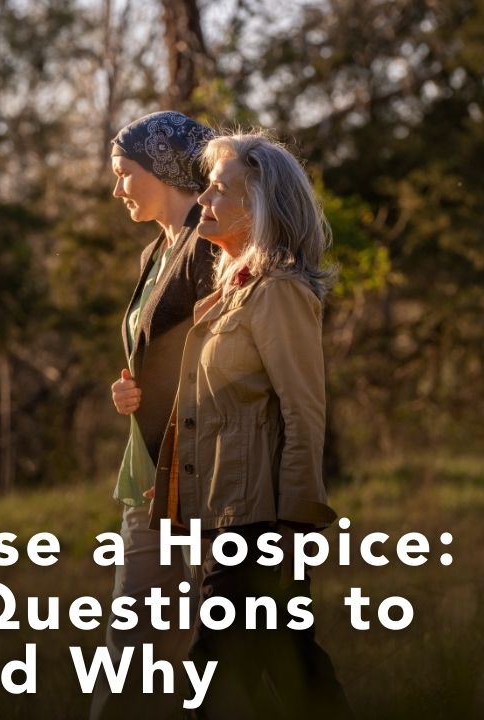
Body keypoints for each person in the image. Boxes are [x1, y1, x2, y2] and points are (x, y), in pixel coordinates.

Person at [150, 130, 353, 719]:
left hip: (259, 528)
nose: (204, 202)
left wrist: (294, 523)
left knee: (209, 681)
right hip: (223, 520)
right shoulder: (229, 296)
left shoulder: (280, 293)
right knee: (295, 672)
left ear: (259, 207)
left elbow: (303, 412)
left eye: (219, 190)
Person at [93, 111, 218, 720]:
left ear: (163, 168)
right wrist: (132, 392)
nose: (118, 188)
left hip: (197, 478)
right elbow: (157, 356)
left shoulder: (209, 245)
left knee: (194, 653)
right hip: (148, 474)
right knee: (136, 651)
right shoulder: (154, 252)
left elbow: (224, 359)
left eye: (125, 173)